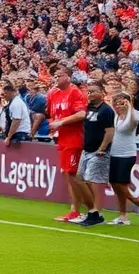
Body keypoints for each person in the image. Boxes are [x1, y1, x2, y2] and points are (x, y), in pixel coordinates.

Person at [48, 66, 91, 223]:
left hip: (74, 138)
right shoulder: (53, 94)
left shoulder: (74, 92)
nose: (56, 78)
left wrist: (61, 122)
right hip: (62, 139)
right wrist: (54, 125)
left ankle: (84, 211)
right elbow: (52, 115)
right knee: (68, 175)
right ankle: (76, 210)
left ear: (68, 77)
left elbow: (81, 114)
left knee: (73, 176)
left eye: (59, 75)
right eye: (55, 75)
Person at [107, 92, 139, 225]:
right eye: (116, 102)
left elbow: (127, 126)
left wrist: (130, 106)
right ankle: (123, 216)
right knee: (115, 184)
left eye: (122, 102)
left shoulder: (134, 115)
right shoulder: (116, 116)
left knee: (121, 184)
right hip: (114, 153)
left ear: (128, 102)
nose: (118, 105)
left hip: (126, 154)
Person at [75, 82, 115, 227]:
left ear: (102, 92)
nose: (90, 94)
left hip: (99, 151)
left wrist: (102, 148)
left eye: (93, 91)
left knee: (96, 182)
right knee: (80, 178)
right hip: (87, 149)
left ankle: (97, 213)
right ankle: (92, 210)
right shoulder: (89, 108)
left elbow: (110, 132)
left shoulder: (106, 111)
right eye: (89, 92)